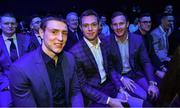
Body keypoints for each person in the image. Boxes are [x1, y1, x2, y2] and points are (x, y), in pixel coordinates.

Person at [8, 16, 84, 107]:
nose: (60, 38)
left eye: (64, 33)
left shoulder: (70, 58)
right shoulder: (20, 69)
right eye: (54, 32)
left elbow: (75, 92)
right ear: (41, 32)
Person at [69, 9, 125, 107]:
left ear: (99, 25)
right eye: (86, 26)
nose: (90, 29)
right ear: (80, 28)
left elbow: (110, 68)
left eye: (94, 24)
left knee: (139, 104)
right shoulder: (74, 52)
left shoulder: (105, 41)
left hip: (110, 86)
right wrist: (109, 101)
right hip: (93, 95)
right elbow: (83, 86)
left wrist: (120, 88)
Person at [107, 11, 159, 104]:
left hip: (136, 73)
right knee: (144, 97)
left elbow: (145, 61)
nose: (118, 27)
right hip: (120, 76)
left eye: (121, 23)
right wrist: (121, 78)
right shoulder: (106, 42)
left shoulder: (137, 39)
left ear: (127, 24)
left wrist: (152, 83)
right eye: (115, 24)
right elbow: (108, 67)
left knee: (154, 92)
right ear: (111, 26)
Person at [135, 13, 167, 80]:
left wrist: (162, 67)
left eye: (149, 22)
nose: (148, 24)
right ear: (139, 23)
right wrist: (156, 71)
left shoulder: (149, 36)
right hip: (138, 70)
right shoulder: (135, 37)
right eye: (145, 22)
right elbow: (139, 60)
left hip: (149, 67)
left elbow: (152, 54)